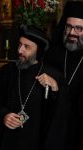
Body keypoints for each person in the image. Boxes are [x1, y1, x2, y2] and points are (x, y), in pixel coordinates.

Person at [0, 25, 66, 150]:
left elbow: (59, 117)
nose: (20, 50)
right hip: (8, 142)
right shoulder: (7, 72)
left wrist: (54, 89)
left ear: (38, 51)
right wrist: (4, 115)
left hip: (36, 143)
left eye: (27, 47)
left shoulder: (54, 76)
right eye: (20, 44)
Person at [44, 1, 83, 149]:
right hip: (51, 126)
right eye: (69, 27)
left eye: (79, 28)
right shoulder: (53, 54)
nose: (72, 33)